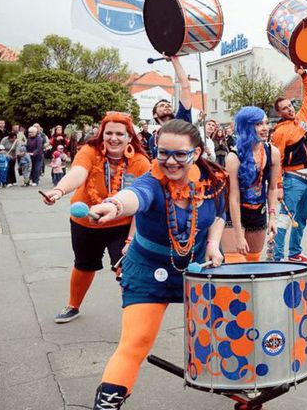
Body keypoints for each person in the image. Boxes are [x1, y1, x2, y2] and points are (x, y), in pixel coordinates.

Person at [85, 119, 227, 409]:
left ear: (197, 153)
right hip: (148, 272)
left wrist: (213, 244)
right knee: (134, 343)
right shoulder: (151, 182)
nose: (170, 161)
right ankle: (107, 404)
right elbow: (134, 197)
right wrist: (112, 206)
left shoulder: (213, 181)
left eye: (179, 154)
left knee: (231, 330)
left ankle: (244, 386)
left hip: (196, 272)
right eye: (163, 153)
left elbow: (219, 216)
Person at [39, 113, 151, 325]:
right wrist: (58, 190)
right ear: (102, 134)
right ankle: (73, 305)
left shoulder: (140, 162)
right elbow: (78, 173)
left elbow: (141, 206)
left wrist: (130, 240)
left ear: (130, 137)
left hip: (122, 225)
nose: (114, 138)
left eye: (120, 134)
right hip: (85, 221)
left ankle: (135, 317)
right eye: (109, 133)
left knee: (126, 266)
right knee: (84, 265)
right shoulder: (89, 151)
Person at [270, 66, 307, 264]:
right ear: (279, 113)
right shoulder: (280, 132)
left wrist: (304, 75)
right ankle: (278, 257)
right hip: (293, 180)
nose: (290, 109)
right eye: (285, 108)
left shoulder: (301, 118)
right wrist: (278, 186)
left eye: (290, 105)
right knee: (285, 219)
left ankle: (295, 252)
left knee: (302, 220)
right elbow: (277, 161)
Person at [225, 107, 281, 262]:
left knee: (253, 261)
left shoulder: (273, 152)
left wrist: (272, 217)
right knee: (235, 263)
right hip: (235, 212)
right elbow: (233, 197)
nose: (265, 128)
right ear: (246, 126)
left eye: (266, 123)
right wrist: (238, 234)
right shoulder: (233, 157)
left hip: (258, 211)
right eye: (258, 124)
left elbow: (272, 188)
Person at [148, 57, 194, 158]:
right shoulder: (154, 139)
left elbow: (186, 87)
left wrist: (175, 60)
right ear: (155, 114)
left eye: (168, 105)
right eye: (162, 105)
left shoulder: (182, 120)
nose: (167, 106)